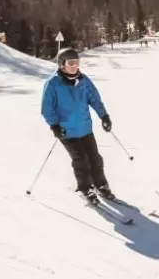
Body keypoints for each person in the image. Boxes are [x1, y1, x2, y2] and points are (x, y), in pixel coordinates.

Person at [41, 47, 115, 203]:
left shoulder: (83, 80)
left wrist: (104, 116)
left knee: (95, 158)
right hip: (66, 131)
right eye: (71, 63)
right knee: (81, 159)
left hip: (85, 128)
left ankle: (100, 184)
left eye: (77, 62)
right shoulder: (53, 83)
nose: (75, 66)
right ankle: (85, 187)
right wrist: (54, 126)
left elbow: (95, 99)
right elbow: (47, 109)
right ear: (62, 64)